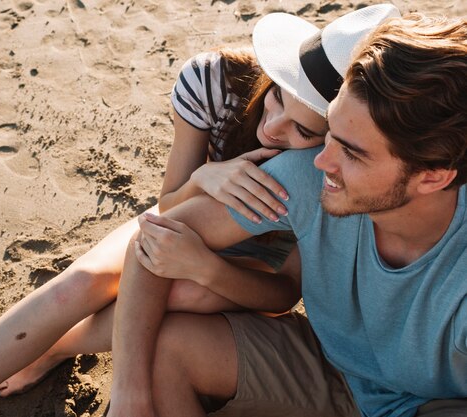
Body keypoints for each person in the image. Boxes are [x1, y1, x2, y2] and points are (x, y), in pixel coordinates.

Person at [0, 5, 398, 417]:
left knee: (189, 293)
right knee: (80, 284)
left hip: (264, 252)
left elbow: (284, 295)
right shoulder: (216, 81)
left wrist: (207, 267)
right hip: (188, 208)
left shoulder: (330, 173)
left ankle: (58, 345)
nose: (273, 130)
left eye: (303, 132)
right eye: (276, 101)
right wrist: (206, 178)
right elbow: (167, 205)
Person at [107, 11, 467, 417]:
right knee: (166, 349)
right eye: (329, 132)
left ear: (433, 177)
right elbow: (155, 238)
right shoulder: (309, 174)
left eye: (351, 153)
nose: (321, 161)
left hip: (440, 403)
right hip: (333, 369)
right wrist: (130, 398)